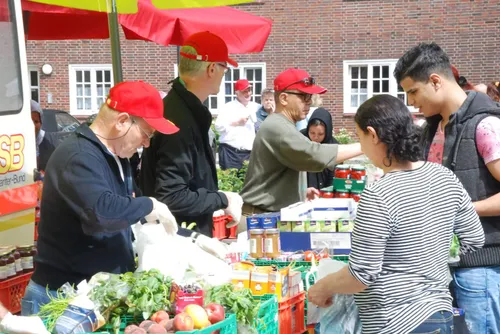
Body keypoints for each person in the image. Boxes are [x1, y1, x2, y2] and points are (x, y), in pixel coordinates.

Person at [308, 94, 484, 334]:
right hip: (442, 316)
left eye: (360, 138)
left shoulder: (379, 194)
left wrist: (322, 287)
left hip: (396, 322)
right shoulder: (445, 178)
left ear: (373, 134)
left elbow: (361, 274)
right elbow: (474, 239)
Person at [23, 81, 181, 316]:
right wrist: (149, 204)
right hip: (61, 298)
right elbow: (101, 212)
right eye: (147, 134)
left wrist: (191, 238)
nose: (147, 143)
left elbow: (127, 212)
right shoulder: (78, 156)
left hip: (91, 296)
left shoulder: (117, 157)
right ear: (122, 122)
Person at [395, 42, 500, 333]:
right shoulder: (433, 128)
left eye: (413, 91)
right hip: (443, 268)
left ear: (436, 81)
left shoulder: (486, 125)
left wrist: (459, 210)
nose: (411, 102)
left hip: (482, 268)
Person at [140, 31, 243, 237]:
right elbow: (172, 195)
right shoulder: (180, 118)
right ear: (212, 68)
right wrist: (223, 199)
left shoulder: (181, 108)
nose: (225, 74)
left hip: (181, 236)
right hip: (179, 243)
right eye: (225, 68)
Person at [240, 68, 362, 215]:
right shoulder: (278, 127)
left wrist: (299, 192)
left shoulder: (282, 124)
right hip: (260, 218)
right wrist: (366, 146)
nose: (309, 102)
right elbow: (313, 155)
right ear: (284, 98)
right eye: (304, 96)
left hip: (265, 214)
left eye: (310, 96)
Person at [215, 79, 259, 170]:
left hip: (249, 154)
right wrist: (236, 123)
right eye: (244, 91)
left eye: (249, 90)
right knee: (230, 182)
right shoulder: (228, 107)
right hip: (230, 153)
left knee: (249, 183)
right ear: (237, 93)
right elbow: (218, 127)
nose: (248, 93)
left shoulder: (256, 107)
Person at [300, 107, 338, 190]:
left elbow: (334, 176)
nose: (315, 137)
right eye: (312, 133)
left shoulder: (333, 145)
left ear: (327, 132)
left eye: (320, 134)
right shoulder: (300, 138)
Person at [31, 100, 59, 171]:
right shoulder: (17, 145)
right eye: (30, 121)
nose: (32, 126)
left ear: (41, 122)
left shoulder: (51, 143)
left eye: (36, 122)